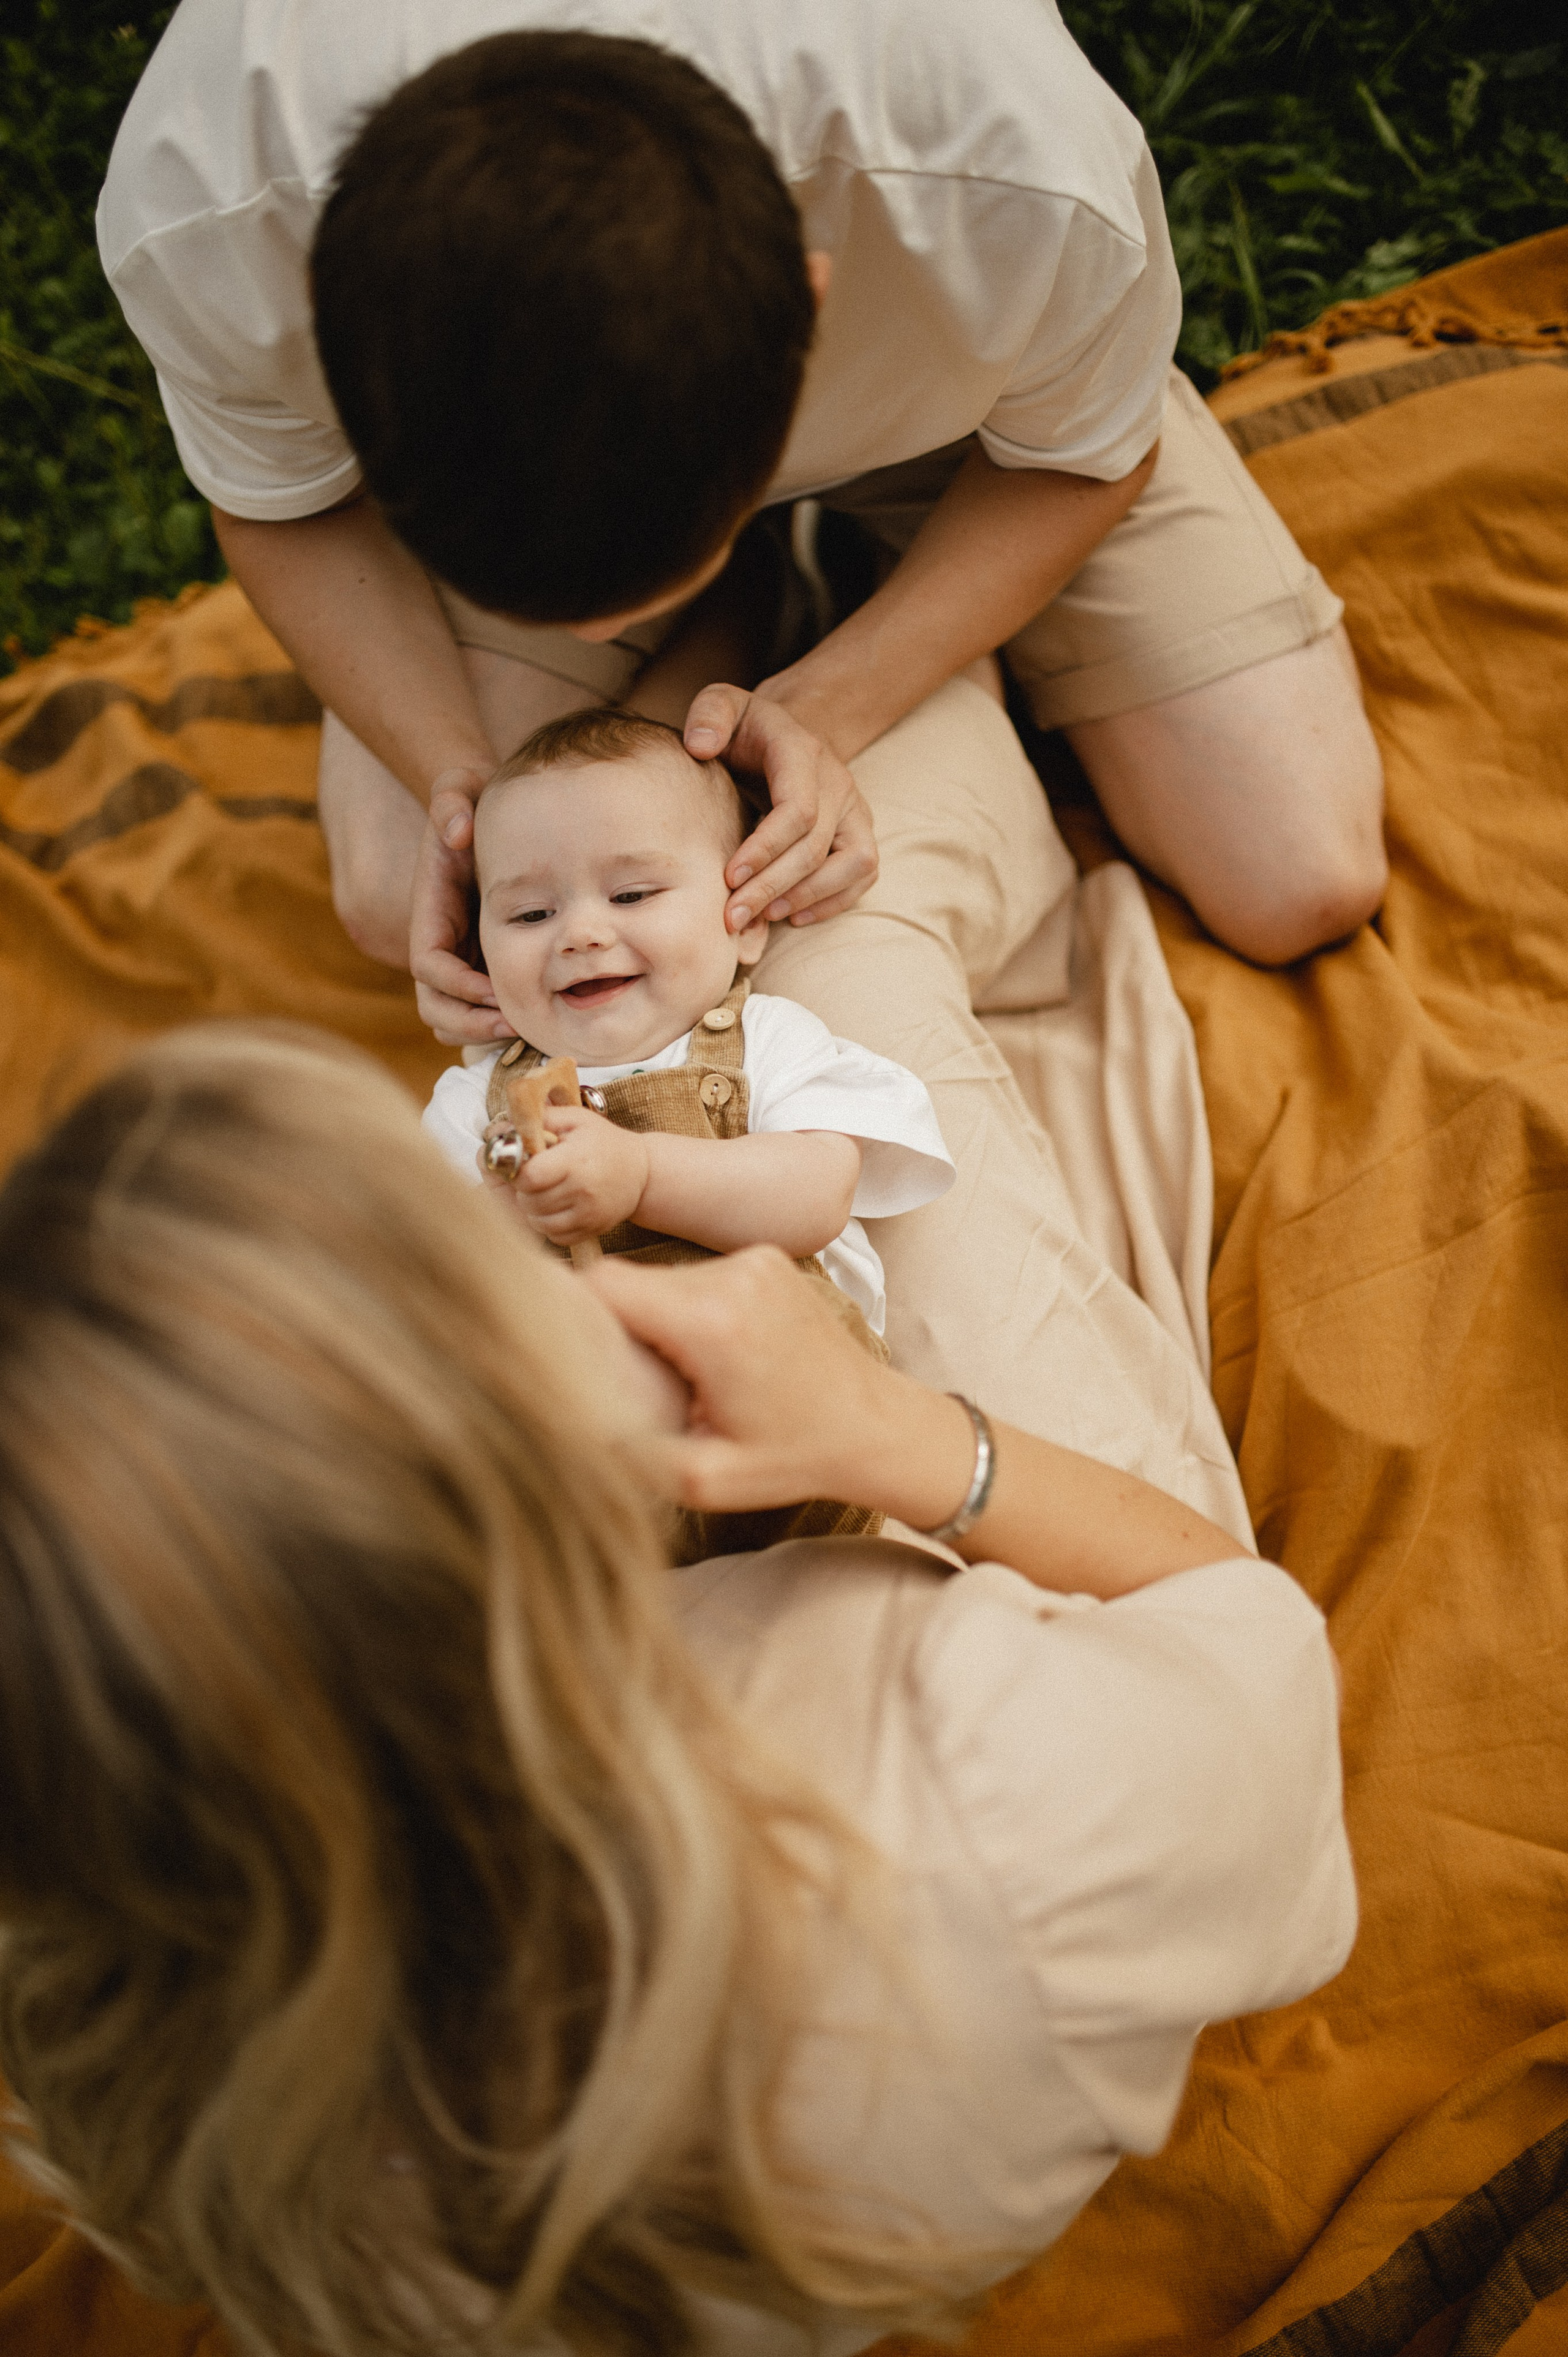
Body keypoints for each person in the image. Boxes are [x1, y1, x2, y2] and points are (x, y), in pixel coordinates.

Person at [0, 1026, 1356, 2357]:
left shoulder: (119, 2039)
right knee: (882, 1008)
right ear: (490, 1514)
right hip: (1049, 1832)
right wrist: (894, 1431)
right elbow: (1261, 1651)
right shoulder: (976, 1783)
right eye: (463, 1255)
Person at [97, 0, 1388, 1026]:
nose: (602, 629)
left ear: (808, 311)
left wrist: (833, 701)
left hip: (980, 437)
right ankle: (758, 595)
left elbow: (1083, 461)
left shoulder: (1007, 169)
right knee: (408, 890)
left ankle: (834, 588)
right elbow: (282, 509)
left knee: (1299, 873)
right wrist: (453, 775)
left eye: (657, 579)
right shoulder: (207, 207)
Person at [423, 707, 953, 1339]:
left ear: (746, 921)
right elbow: (429, 1270)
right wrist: (507, 1210)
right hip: (577, 1375)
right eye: (532, 914)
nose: (580, 934)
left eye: (631, 895)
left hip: (776, 1362)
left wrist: (642, 1175)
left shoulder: (768, 1040)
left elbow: (817, 1194)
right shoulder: (472, 1104)